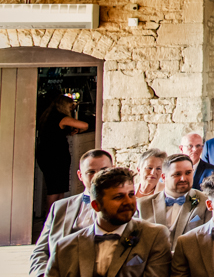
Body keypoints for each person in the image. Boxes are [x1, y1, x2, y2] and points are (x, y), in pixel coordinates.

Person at [45, 166, 171, 277]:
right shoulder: (64, 247)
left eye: (131, 194)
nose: (128, 202)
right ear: (96, 206)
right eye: (118, 197)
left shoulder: (154, 236)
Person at [30, 149, 113, 277]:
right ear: (80, 176)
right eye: (91, 172)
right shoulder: (59, 207)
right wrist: (41, 274)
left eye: (104, 170)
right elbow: (40, 251)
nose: (97, 176)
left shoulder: (127, 207)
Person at [136, 153, 209, 250]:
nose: (183, 178)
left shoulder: (206, 202)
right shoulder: (142, 205)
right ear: (164, 177)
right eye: (177, 174)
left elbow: (209, 241)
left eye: (188, 173)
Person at [36, 95, 90, 210]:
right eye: (71, 106)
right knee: (55, 190)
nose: (72, 109)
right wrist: (77, 129)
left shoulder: (48, 116)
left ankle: (57, 216)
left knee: (57, 188)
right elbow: (85, 125)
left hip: (47, 154)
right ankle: (51, 218)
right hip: (55, 156)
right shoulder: (61, 117)